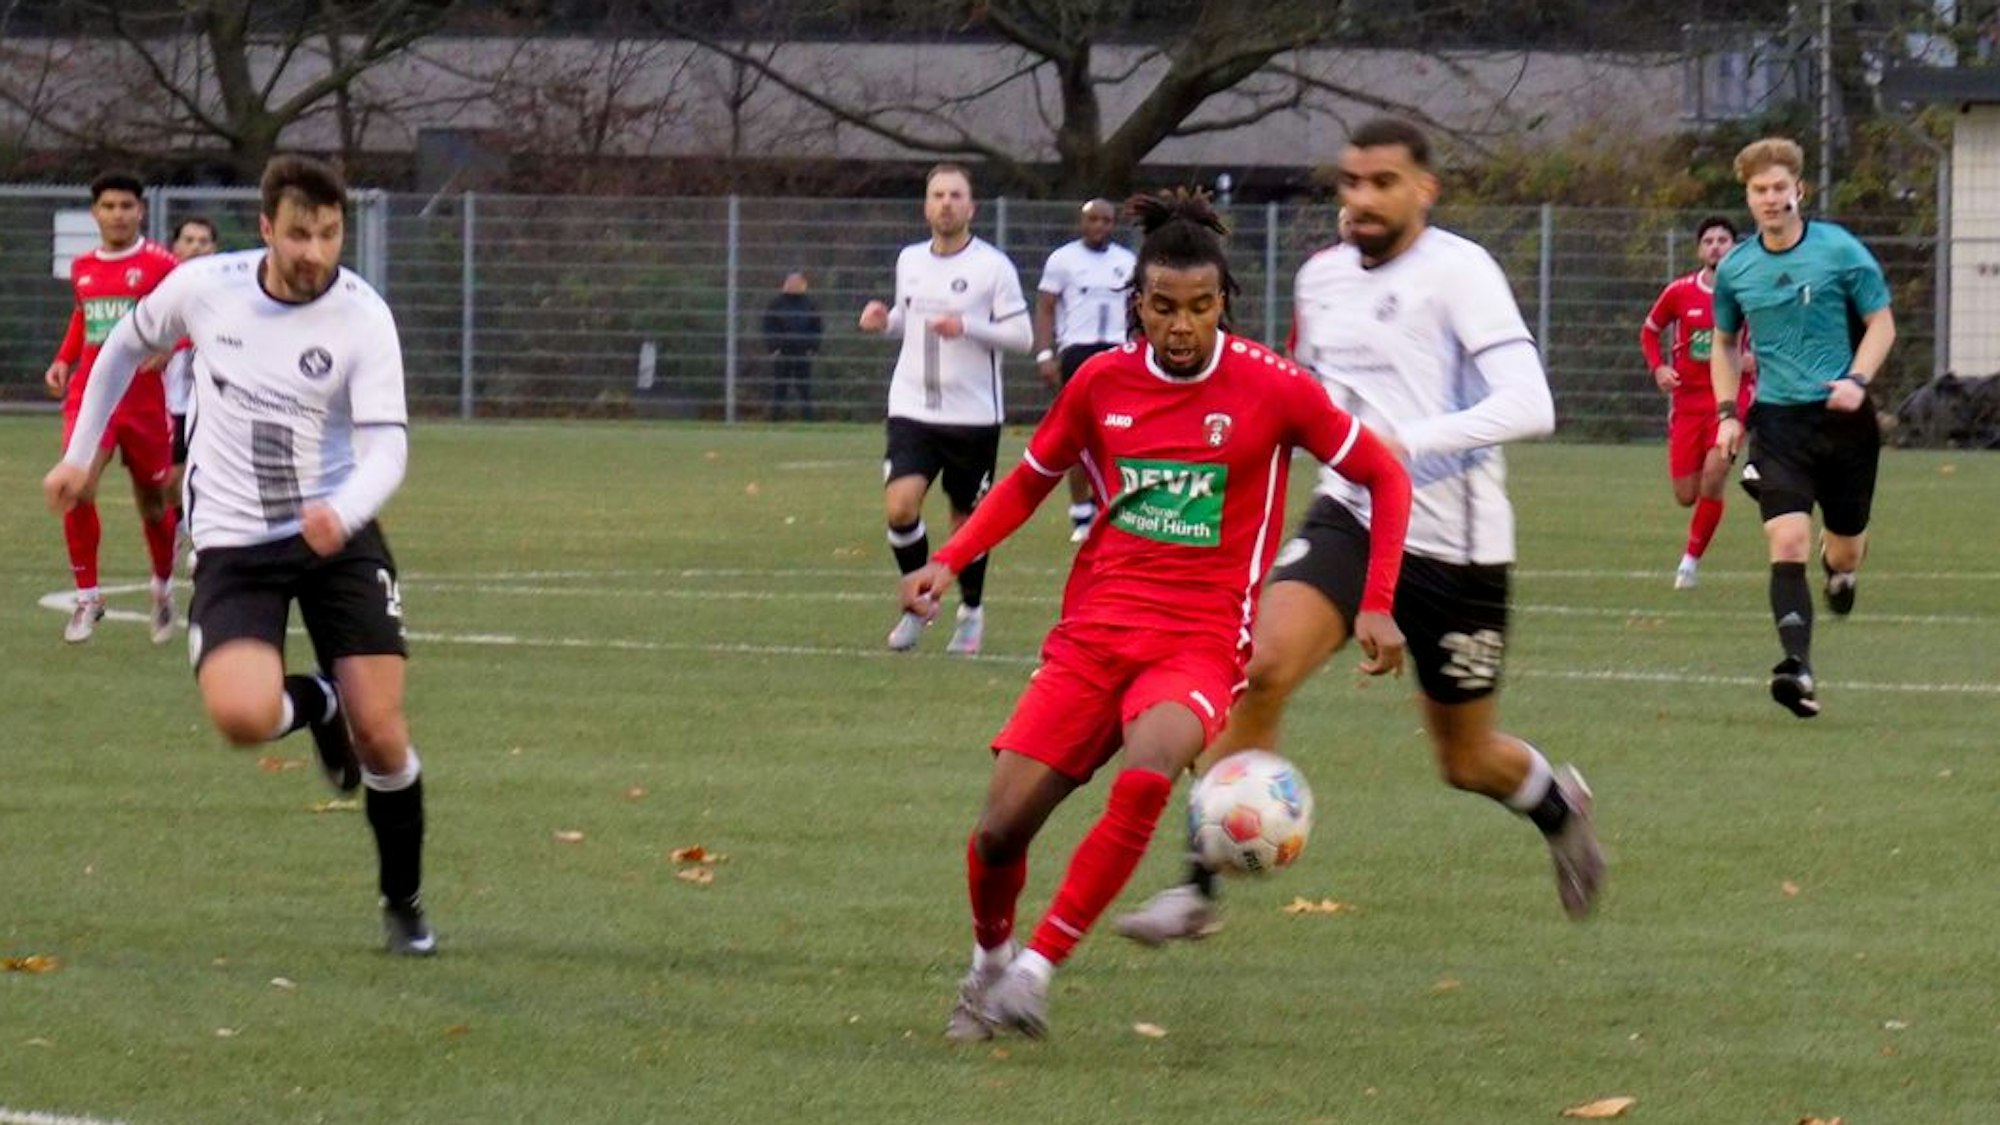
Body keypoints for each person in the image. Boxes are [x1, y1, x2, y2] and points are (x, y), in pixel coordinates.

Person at [908, 190, 1413, 1042]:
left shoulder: (1275, 389)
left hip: (1201, 644)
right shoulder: (1100, 383)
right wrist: (947, 559)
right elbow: (1030, 481)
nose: (1183, 325)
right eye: (1165, 307)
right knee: (998, 832)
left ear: (1226, 305)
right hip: (1093, 638)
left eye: (1201, 307)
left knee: (1148, 772)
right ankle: (988, 967)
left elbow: (1386, 475)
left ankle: (1036, 969)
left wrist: (1379, 601)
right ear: (1136, 305)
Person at [1116, 117, 1603, 947]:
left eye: (1383, 182)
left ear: (1424, 190)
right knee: (1258, 667)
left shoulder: (1461, 272)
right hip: (1349, 516)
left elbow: (1533, 404)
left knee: (1465, 758)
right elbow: (1306, 398)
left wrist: (1405, 444)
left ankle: (1557, 808)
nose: (1362, 199)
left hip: (1459, 542)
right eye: (1351, 182)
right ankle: (1197, 884)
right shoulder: (1322, 278)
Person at [43, 155, 437, 956]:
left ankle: (403, 900)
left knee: (383, 734)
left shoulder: (363, 316)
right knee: (242, 716)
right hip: (233, 541)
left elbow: (388, 449)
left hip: (338, 536)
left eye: (329, 234)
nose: (314, 252)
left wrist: (345, 511)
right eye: (298, 233)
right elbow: (118, 348)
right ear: (266, 227)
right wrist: (83, 457)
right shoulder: (207, 286)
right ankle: (314, 704)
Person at [1711, 137, 1895, 719]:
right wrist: (1726, 413)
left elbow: (1882, 324)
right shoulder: (1736, 268)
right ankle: (1798, 667)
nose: (1770, 199)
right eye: (1759, 190)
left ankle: (1840, 573)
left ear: (1799, 191)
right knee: (1784, 541)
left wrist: (1858, 381)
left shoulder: (1840, 251)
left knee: (1844, 550)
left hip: (1845, 420)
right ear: (1748, 196)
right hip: (1781, 423)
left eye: (1779, 189)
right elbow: (1723, 342)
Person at [860, 163, 1032, 656]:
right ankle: (917, 606)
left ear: (971, 207)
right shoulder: (910, 259)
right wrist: (883, 321)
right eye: (938, 195)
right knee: (900, 506)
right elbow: (905, 319)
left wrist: (969, 326)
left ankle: (970, 612)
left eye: (956, 195)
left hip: (972, 417)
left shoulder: (993, 267)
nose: (946, 203)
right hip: (912, 406)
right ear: (926, 206)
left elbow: (1020, 337)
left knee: (967, 524)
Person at [44, 171, 181, 645]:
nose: (118, 214)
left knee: (153, 503)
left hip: (144, 401)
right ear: (95, 213)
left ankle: (162, 587)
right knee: (76, 486)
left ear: (140, 210)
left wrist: (173, 345)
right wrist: (64, 358)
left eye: (126, 206)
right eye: (109, 206)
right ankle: (88, 596)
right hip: (90, 398)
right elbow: (83, 315)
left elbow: (189, 316)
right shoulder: (83, 266)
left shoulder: (162, 265)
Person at [1640, 216, 1757, 590]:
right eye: (1708, 240)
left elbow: (1778, 331)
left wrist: (1757, 357)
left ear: (1735, 247)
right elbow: (1650, 330)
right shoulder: (1679, 292)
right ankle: (1696, 540)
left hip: (1731, 401)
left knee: (1714, 476)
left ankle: (1689, 563)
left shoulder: (1750, 291)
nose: (1716, 246)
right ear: (1699, 249)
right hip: (1688, 403)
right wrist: (1659, 368)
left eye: (1723, 240)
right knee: (1686, 495)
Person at [1032, 198, 1137, 541]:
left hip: (1117, 353)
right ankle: (1080, 513)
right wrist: (1045, 354)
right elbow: (1046, 307)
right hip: (1077, 352)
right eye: (1093, 220)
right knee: (1078, 436)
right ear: (1082, 222)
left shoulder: (1127, 262)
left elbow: (1139, 311)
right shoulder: (1063, 260)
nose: (1100, 226)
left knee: (1117, 434)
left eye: (1107, 220)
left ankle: (1109, 507)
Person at [164, 215, 220, 529]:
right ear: (176, 246)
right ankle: (183, 527)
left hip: (210, 398)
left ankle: (202, 535)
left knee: (205, 474)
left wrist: (176, 343)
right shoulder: (163, 287)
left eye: (203, 241)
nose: (196, 247)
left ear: (214, 249)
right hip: (170, 401)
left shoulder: (224, 290)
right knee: (170, 479)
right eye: (189, 240)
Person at [763, 270, 822, 421]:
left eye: (798, 282)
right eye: (792, 282)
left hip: (802, 352)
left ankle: (809, 421)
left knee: (805, 390)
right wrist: (774, 347)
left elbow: (817, 328)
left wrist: (812, 348)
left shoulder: (810, 305)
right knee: (779, 389)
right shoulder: (776, 304)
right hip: (783, 352)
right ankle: (775, 420)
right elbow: (769, 327)